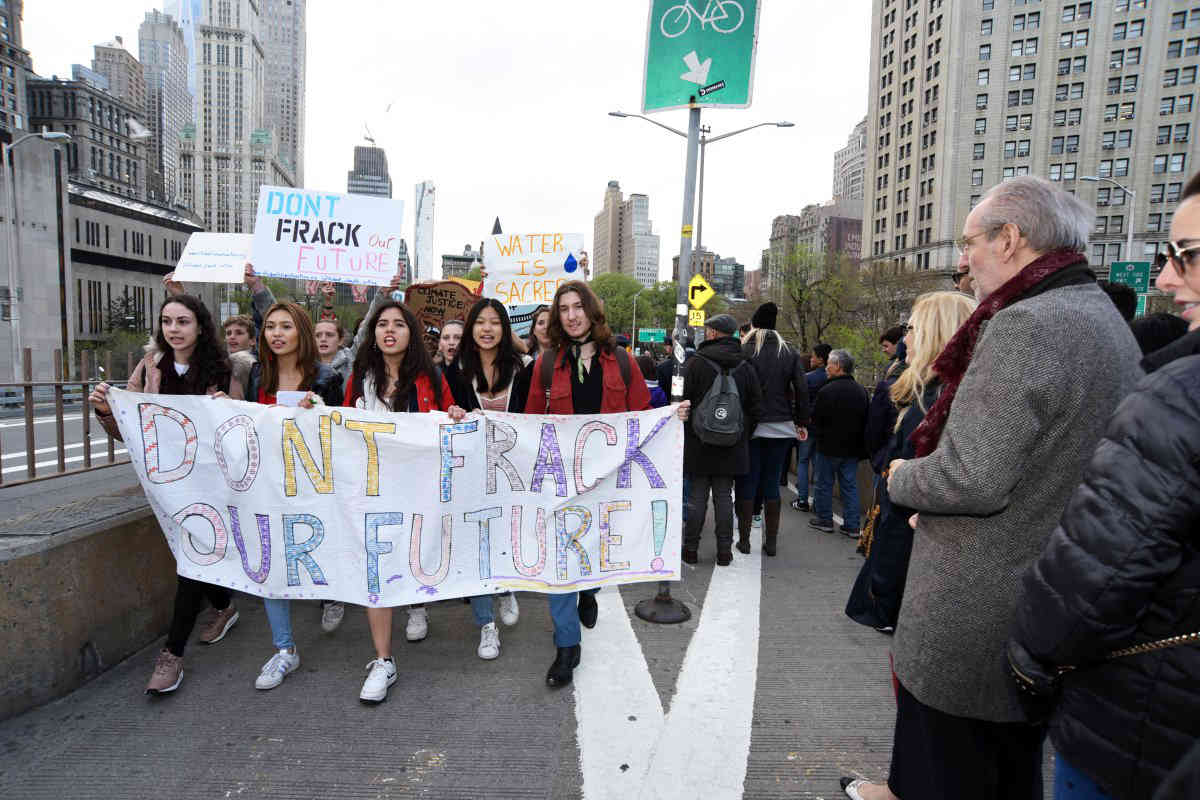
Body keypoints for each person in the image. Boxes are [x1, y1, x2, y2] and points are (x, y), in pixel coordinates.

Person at [842, 176, 1143, 800]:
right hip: (1045, 593)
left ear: (1010, 239)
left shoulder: (1026, 326)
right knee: (1005, 765)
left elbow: (969, 477)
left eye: (969, 241)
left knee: (948, 761)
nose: (961, 259)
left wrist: (902, 476)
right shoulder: (1102, 320)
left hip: (977, 606)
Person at [1007, 171, 1200, 800]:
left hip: (1140, 726)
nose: (1167, 279)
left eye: (1187, 256)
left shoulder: (1181, 395)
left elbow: (1095, 574)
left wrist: (1031, 654)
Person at [524, 281, 688, 688]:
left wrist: (671, 416)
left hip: (610, 483)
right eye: (564, 309)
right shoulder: (545, 366)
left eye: (578, 306)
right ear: (558, 318)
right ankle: (567, 647)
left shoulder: (624, 362)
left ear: (591, 311)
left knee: (594, 553)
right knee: (559, 565)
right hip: (562, 484)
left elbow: (642, 416)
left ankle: (590, 590)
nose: (572, 315)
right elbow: (527, 423)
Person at [89, 294, 243, 695]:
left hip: (210, 482)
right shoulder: (149, 368)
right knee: (195, 553)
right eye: (167, 321)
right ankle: (224, 608)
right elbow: (131, 431)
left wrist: (228, 408)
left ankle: (172, 654)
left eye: (183, 321)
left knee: (192, 558)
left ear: (200, 326)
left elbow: (243, 429)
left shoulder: (223, 368)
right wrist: (107, 411)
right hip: (168, 481)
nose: (174, 329)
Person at [342, 299, 465, 702]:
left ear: (411, 334)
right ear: (373, 334)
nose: (389, 330)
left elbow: (449, 418)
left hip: (419, 491)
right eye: (382, 324)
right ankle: (383, 660)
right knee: (375, 571)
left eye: (399, 324)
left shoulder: (430, 377)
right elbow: (341, 427)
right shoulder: (360, 377)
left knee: (413, 557)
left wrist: (456, 415)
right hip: (372, 490)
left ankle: (416, 606)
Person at [845, 292, 976, 635]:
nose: (906, 339)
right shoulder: (938, 392)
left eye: (913, 329)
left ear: (936, 334)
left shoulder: (940, 399)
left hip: (915, 551)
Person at [245, 302, 348, 692]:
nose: (276, 333)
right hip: (269, 483)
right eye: (270, 326)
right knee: (272, 561)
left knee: (319, 551)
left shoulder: (325, 377)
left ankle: (332, 595)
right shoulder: (258, 374)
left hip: (312, 484)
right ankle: (284, 649)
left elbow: (338, 433)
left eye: (285, 326)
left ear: (300, 333)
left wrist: (315, 412)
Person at [443, 298, 529, 660]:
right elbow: (442, 414)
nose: (488, 329)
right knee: (476, 547)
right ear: (472, 328)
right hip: (470, 475)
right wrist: (455, 412)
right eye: (481, 322)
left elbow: (531, 419)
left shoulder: (523, 368)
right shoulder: (454, 370)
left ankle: (504, 585)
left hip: (511, 475)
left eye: (495, 322)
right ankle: (486, 624)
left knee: (504, 538)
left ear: (504, 329)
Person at [681, 314, 762, 564]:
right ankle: (724, 552)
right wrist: (739, 434)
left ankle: (691, 550)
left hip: (699, 442)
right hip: (732, 444)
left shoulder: (696, 363)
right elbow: (756, 407)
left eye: (708, 330)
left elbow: (682, 401)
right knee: (725, 497)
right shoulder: (746, 366)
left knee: (697, 497)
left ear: (715, 333)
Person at [737, 302, 809, 557]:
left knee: (749, 479)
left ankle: (744, 540)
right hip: (781, 426)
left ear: (754, 324)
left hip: (752, 427)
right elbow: (801, 388)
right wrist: (801, 421)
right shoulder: (788, 351)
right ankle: (772, 542)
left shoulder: (745, 349)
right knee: (771, 484)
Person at [808, 350, 870, 538]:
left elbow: (816, 418)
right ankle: (852, 525)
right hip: (852, 448)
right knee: (849, 486)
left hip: (828, 446)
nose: (826, 367)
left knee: (824, 484)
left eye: (830, 364)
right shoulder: (861, 391)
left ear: (839, 367)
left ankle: (825, 519)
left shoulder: (827, 390)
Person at [792, 343, 831, 511]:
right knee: (818, 466)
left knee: (802, 461)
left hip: (807, 426)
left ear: (821, 359)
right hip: (825, 429)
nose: (811, 359)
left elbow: (799, 401)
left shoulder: (808, 378)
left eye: (814, 356)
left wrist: (798, 421)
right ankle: (818, 502)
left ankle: (802, 499)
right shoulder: (831, 379)